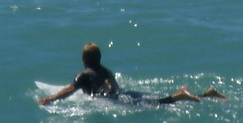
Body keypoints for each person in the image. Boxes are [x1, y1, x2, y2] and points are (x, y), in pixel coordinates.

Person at [39, 43, 226, 106]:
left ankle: (181, 94)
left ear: (84, 59)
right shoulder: (106, 71)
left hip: (116, 100)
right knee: (157, 100)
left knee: (157, 105)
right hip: (125, 93)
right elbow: (112, 85)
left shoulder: (83, 76)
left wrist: (51, 98)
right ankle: (205, 94)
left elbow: (70, 90)